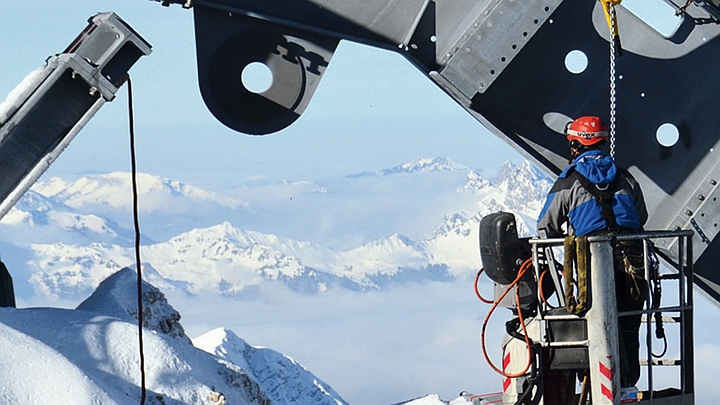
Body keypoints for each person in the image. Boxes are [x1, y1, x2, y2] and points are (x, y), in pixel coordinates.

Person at [536, 115, 648, 388]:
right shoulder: (625, 177)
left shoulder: (568, 181)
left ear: (575, 145)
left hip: (592, 267)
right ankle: (627, 384)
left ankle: (595, 384)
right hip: (633, 264)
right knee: (628, 327)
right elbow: (641, 217)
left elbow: (545, 227)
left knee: (595, 328)